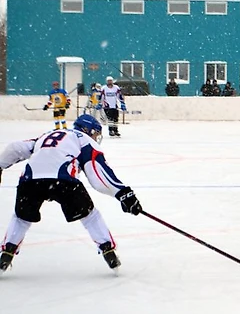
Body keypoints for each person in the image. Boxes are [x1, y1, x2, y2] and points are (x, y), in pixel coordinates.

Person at [0, 114, 143, 274]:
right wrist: (123, 194)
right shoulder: (84, 139)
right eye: (95, 133)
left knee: (22, 218)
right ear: (87, 130)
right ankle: (107, 250)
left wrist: (0, 165)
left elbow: (14, 148)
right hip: (64, 182)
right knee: (90, 216)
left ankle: (7, 252)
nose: (96, 137)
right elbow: (98, 175)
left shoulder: (47, 135)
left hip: (30, 181)